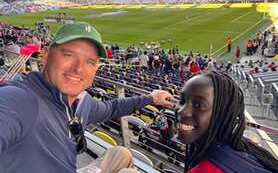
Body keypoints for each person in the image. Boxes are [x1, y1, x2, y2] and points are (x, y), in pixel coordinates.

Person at [0, 22, 174, 173]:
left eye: (89, 62)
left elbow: (112, 108)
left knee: (121, 153)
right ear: (46, 54)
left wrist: (151, 98)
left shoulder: (82, 102)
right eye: (68, 55)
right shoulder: (21, 99)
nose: (78, 69)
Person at [176, 71, 278, 173]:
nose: (182, 111)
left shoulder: (207, 170)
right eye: (182, 101)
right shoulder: (242, 147)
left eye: (198, 105)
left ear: (223, 113)